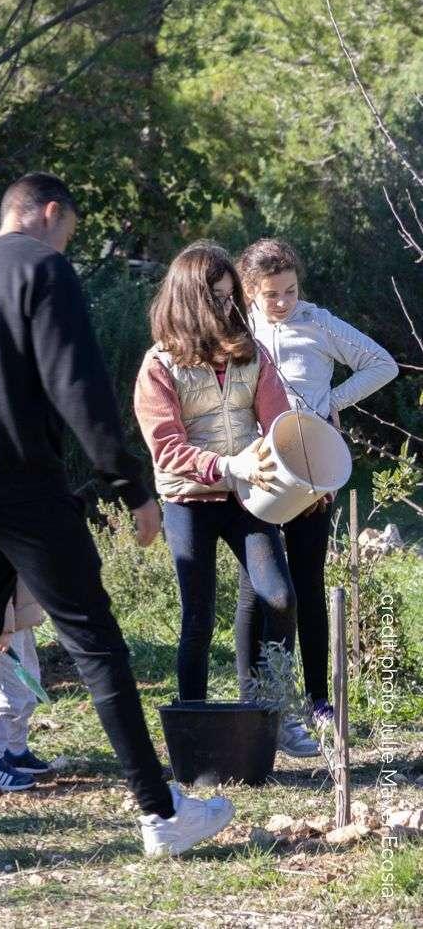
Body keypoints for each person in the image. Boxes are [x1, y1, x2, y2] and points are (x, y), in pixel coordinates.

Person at [0, 172, 232, 860]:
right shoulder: (42, 266)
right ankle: (160, 814)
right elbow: (76, 382)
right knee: (95, 641)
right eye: (68, 231)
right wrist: (130, 484)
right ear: (47, 214)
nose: (65, 244)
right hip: (20, 486)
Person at [132, 242, 303, 754]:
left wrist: (299, 470)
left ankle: (270, 710)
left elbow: (275, 423)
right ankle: (193, 725)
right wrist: (227, 466)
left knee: (277, 596)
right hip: (189, 500)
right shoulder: (159, 365)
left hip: (250, 495)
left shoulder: (254, 352)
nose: (230, 310)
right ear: (190, 302)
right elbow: (167, 448)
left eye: (233, 298)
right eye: (219, 300)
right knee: (198, 617)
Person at [239, 237, 396, 744]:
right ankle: (257, 700)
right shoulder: (241, 331)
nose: (282, 301)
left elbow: (382, 364)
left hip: (310, 466)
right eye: (271, 293)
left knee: (307, 580)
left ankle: (317, 700)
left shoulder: (318, 322)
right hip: (260, 468)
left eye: (290, 289)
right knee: (256, 585)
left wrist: (333, 402)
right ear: (250, 292)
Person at [0, 585, 52, 791]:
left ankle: (14, 752)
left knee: (27, 690)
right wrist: (3, 626)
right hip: (0, 626)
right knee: (6, 696)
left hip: (19, 622)